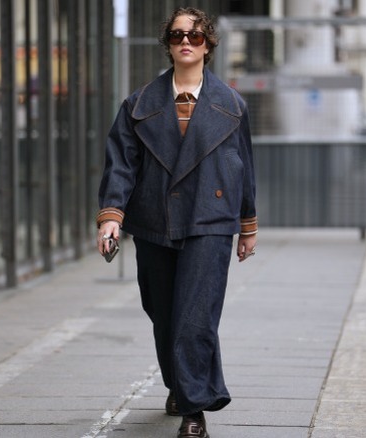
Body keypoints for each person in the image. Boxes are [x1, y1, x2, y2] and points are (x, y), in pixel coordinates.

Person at [95, 7, 258, 438]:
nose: (186, 41)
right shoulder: (138, 105)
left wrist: (248, 226)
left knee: (195, 318)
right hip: (154, 221)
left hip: (210, 219)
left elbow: (244, 167)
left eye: (196, 36)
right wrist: (111, 217)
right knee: (164, 315)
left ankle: (193, 409)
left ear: (209, 44)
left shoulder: (232, 106)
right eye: (177, 34)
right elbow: (120, 166)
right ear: (167, 43)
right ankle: (179, 385)